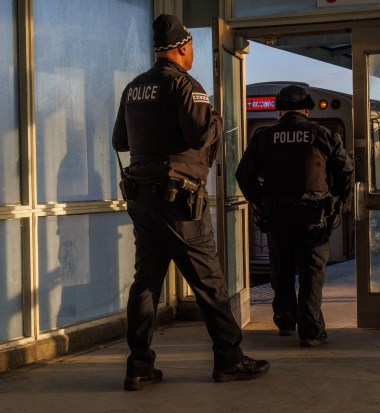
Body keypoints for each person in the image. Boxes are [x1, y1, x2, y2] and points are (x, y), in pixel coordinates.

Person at [112, 14, 269, 391]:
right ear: (183, 48)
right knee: (210, 283)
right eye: (191, 47)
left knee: (145, 284)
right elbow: (200, 135)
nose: (192, 51)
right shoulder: (185, 85)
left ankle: (139, 366)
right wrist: (216, 118)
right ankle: (230, 359)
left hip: (143, 200)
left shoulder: (134, 88)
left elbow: (121, 140)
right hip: (180, 202)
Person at [235, 85, 353, 347]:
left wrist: (259, 202)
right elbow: (346, 171)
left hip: (277, 215)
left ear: (279, 110)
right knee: (312, 272)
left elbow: (244, 175)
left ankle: (286, 320)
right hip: (314, 214)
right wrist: (337, 201)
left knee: (282, 268)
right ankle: (310, 331)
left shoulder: (265, 137)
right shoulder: (322, 134)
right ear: (307, 109)